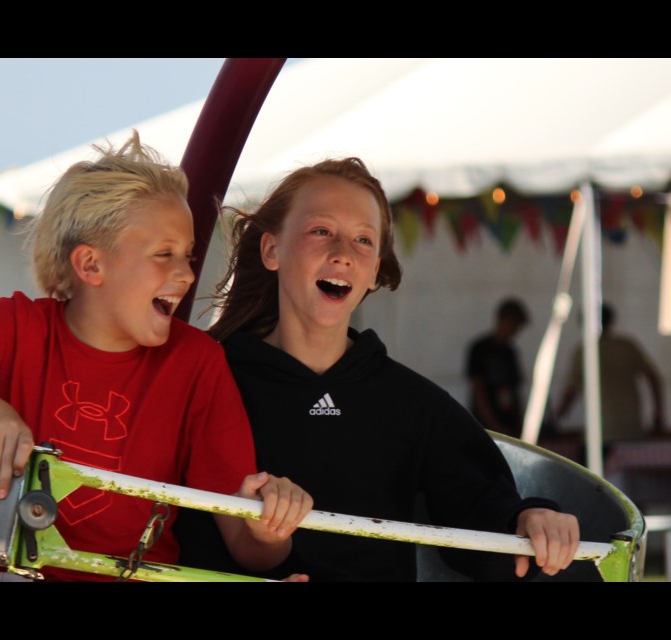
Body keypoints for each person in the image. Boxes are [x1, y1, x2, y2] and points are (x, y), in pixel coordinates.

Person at [0, 131, 312, 581]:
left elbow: (251, 552)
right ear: (91, 264)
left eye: (188, 256)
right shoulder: (8, 327)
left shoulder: (197, 362)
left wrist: (272, 529)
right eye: (164, 254)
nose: (185, 275)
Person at [177, 157, 579, 581]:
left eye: (363, 241)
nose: (342, 254)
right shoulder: (210, 379)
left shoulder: (413, 404)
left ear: (374, 274)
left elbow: (482, 513)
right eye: (321, 231)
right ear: (272, 250)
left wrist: (532, 519)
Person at [554, 302, 667, 447]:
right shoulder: (627, 346)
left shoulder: (584, 352)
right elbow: (653, 379)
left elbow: (571, 392)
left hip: (601, 431)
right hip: (631, 428)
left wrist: (556, 418)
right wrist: (658, 414)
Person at [465, 297, 530, 438]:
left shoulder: (510, 352)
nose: (514, 331)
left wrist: (519, 427)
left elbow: (515, 393)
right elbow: (478, 391)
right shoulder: (480, 349)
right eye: (513, 325)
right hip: (485, 427)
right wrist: (495, 427)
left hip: (507, 426)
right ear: (502, 319)